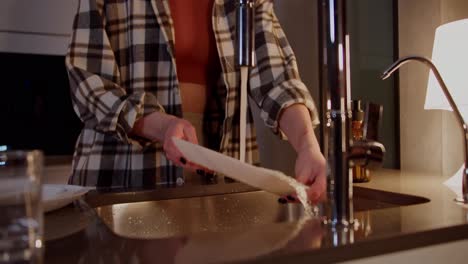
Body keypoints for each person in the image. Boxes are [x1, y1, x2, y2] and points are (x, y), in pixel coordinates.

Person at [65, 0, 326, 202]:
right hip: (124, 174)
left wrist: (306, 144)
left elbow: (276, 75)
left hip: (217, 174)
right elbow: (89, 81)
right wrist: (162, 125)